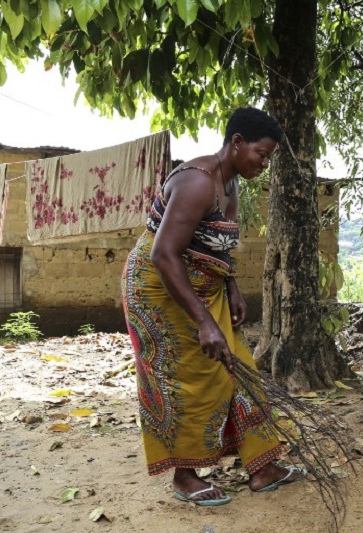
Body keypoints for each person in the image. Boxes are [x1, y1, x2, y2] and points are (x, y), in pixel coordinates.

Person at [121, 107, 305, 506]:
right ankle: (184, 476)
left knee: (240, 366)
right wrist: (204, 321)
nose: (264, 162)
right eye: (261, 153)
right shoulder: (197, 182)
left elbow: (219, 244)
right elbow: (164, 255)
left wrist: (232, 287)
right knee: (191, 376)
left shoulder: (232, 184)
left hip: (205, 285)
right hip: (159, 288)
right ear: (236, 143)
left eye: (269, 156)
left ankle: (262, 467)